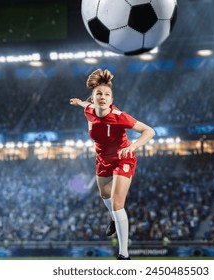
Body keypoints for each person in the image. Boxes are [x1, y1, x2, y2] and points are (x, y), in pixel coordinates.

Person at [70, 69, 155, 260]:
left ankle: (124, 255)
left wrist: (132, 146)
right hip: (102, 159)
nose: (103, 97)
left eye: (107, 94)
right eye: (99, 93)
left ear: (111, 99)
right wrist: (78, 102)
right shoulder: (88, 110)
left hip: (122, 158)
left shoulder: (119, 116)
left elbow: (149, 131)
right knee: (104, 194)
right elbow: (85, 105)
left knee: (117, 205)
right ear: (93, 97)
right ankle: (114, 220)